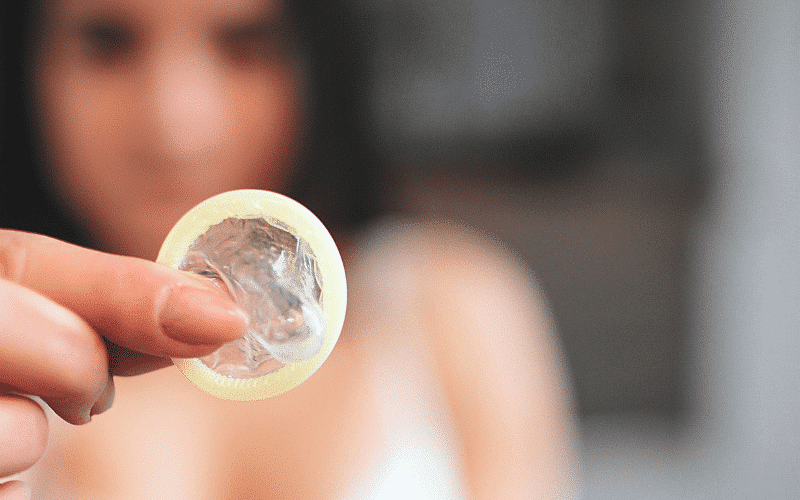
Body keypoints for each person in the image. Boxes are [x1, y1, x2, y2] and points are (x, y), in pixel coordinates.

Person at [0, 0, 579, 498]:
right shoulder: (12, 357)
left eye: (245, 43)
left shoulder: (451, 307)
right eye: (107, 43)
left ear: (320, 58)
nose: (175, 126)